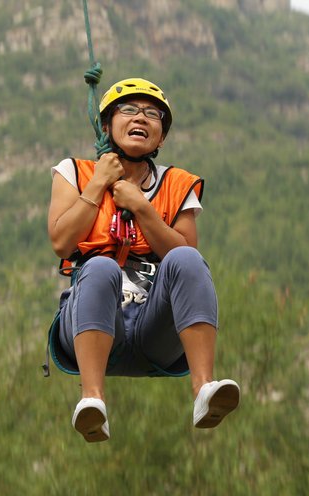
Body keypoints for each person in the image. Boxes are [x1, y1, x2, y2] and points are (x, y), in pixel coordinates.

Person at [46, 77, 239, 442]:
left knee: (188, 260)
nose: (142, 118)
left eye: (153, 114)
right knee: (100, 266)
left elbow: (184, 254)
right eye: (130, 110)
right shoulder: (75, 172)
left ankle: (203, 389)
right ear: (107, 125)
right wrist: (98, 185)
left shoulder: (176, 184)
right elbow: (61, 241)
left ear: (161, 137)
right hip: (95, 322)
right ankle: (92, 400)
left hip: (155, 329)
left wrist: (141, 207)